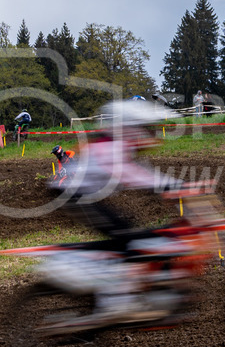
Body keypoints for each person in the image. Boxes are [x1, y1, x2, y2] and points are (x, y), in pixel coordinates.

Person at [56, 99, 186, 324]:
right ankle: (113, 301)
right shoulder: (111, 147)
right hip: (74, 196)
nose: (149, 134)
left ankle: (126, 289)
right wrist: (172, 186)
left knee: (129, 232)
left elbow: (142, 174)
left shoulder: (117, 145)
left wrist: (170, 187)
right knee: (126, 237)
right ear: (130, 127)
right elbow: (131, 176)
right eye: (145, 129)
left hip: (84, 195)